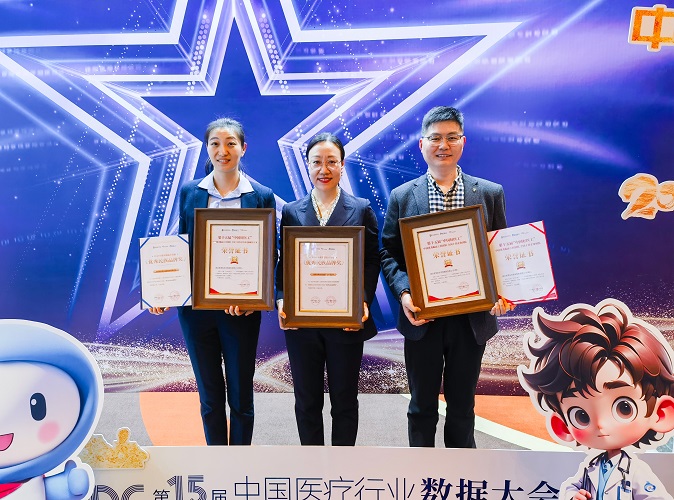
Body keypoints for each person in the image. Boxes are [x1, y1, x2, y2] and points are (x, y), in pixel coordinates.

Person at [380, 105, 514, 448]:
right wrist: (405, 294)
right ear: (422, 144)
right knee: (421, 407)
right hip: (423, 317)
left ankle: (461, 474)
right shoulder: (402, 196)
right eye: (435, 138)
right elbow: (388, 252)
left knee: (462, 408)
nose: (443, 145)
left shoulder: (490, 193)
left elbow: (499, 251)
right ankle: (421, 473)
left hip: (471, 320)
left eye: (452, 137)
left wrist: (503, 292)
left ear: (463, 142)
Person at [149, 117, 276, 445]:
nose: (223, 150)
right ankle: (217, 462)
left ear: (243, 148)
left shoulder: (261, 195)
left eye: (231, 143)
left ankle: (239, 464)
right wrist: (164, 292)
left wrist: (254, 299)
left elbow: (269, 254)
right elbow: (182, 248)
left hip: (241, 312)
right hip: (196, 312)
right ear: (207, 148)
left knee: (241, 397)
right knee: (209, 397)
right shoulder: (190, 192)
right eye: (215, 143)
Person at [275, 132, 380, 446]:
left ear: (342, 165)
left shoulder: (360, 208)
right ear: (308, 165)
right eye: (317, 162)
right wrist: (281, 299)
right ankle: (313, 464)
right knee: (306, 400)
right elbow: (284, 261)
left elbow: (371, 260)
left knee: (344, 400)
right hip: (302, 323)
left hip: (344, 320)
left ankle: (342, 466)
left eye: (331, 161)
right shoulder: (292, 211)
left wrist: (362, 299)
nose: (324, 169)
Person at [519, 300, 674, 500]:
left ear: (660, 414)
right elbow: (569, 487)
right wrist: (573, 495)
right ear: (563, 426)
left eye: (624, 408)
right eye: (581, 416)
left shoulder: (636, 471)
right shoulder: (589, 467)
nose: (600, 424)